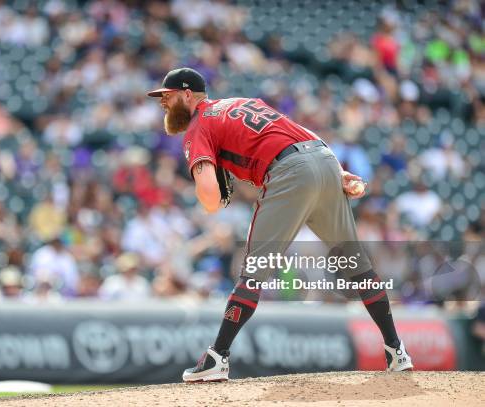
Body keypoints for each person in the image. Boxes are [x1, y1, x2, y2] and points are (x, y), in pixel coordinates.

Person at [147, 67, 413, 382]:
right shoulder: (240, 102)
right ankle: (397, 351)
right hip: (324, 160)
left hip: (289, 172)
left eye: (168, 95)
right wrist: (337, 174)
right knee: (358, 267)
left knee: (253, 271)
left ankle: (217, 357)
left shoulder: (199, 126)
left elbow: (209, 199)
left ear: (188, 94)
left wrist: (217, 194)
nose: (163, 102)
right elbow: (299, 131)